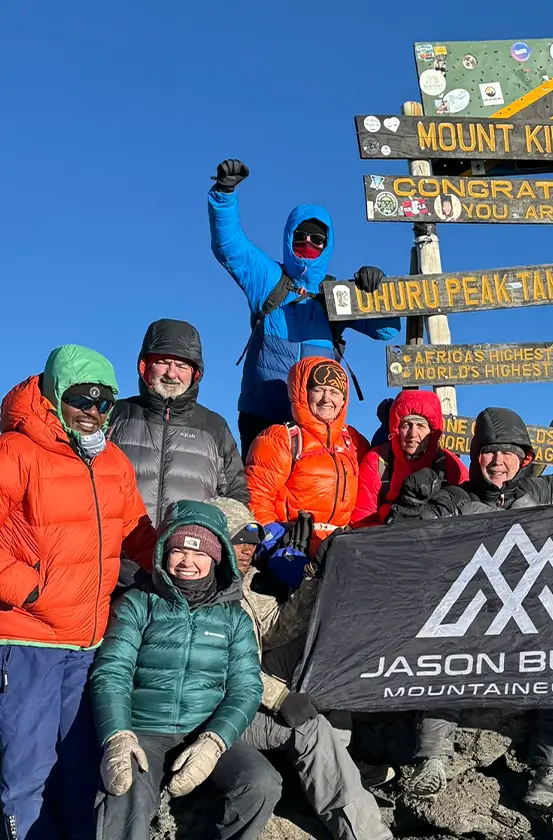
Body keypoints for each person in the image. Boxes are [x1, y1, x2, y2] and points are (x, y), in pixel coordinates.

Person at [0, 345, 156, 840]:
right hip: (29, 638)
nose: (93, 410)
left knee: (80, 764)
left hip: (89, 641)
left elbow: (136, 531)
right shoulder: (15, 452)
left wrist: (183, 563)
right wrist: (32, 591)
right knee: (28, 765)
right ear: (53, 396)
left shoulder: (111, 460)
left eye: (103, 400)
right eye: (81, 398)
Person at [206, 496, 435, 840]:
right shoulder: (199, 591)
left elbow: (276, 628)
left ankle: (340, 767)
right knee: (309, 728)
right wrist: (279, 697)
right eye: (238, 540)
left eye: (253, 541)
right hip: (220, 710)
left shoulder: (238, 584)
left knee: (319, 649)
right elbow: (220, 672)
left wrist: (313, 575)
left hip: (247, 686)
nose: (247, 549)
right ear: (214, 541)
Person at [398, 407, 553, 816]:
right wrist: (409, 509)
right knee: (442, 650)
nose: (498, 462)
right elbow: (409, 545)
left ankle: (552, 774)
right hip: (474, 617)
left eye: (508, 453)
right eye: (489, 453)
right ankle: (432, 759)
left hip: (530, 620)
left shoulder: (545, 492)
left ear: (524, 458)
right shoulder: (456, 500)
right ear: (476, 456)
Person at [90, 501, 278, 840]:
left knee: (262, 782)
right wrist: (117, 734)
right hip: (144, 730)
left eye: (200, 552)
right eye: (178, 550)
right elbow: (111, 671)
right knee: (127, 786)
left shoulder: (233, 618)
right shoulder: (138, 604)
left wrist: (214, 741)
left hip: (204, 731)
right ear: (163, 554)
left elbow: (246, 688)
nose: (188, 561)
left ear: (217, 557)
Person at [208, 159, 400, 457]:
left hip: (316, 419)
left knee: (310, 485)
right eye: (300, 236)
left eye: (317, 238)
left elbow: (387, 330)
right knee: (259, 484)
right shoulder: (268, 278)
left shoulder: (336, 293)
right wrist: (224, 195)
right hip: (261, 415)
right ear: (289, 238)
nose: (308, 242)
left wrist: (375, 289)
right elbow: (229, 246)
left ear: (327, 244)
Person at [108, 319, 248, 526]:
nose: (171, 373)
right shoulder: (115, 415)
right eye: (163, 362)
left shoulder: (214, 427)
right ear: (145, 366)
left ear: (195, 373)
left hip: (189, 545)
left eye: (182, 366)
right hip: (121, 544)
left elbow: (236, 496)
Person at [246, 357, 368, 557]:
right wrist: (273, 541)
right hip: (293, 545)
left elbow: (368, 496)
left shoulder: (353, 441)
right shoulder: (281, 438)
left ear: (344, 400)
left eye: (335, 392)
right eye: (319, 390)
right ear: (303, 393)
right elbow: (257, 496)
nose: (326, 399)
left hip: (341, 548)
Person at [352, 390, 468, 528]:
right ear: (396, 428)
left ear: (432, 431)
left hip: (438, 539)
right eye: (406, 425)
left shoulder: (449, 464)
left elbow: (466, 513)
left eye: (420, 426)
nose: (412, 434)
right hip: (387, 540)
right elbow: (362, 521)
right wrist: (391, 526)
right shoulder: (377, 461)